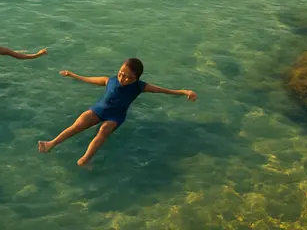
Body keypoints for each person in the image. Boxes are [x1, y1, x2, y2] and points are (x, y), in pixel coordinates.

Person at [37, 58, 197, 167]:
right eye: (121, 73)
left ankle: (85, 159)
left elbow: (164, 90)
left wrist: (184, 91)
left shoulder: (140, 86)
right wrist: (72, 74)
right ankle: (51, 143)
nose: (123, 78)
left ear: (136, 78)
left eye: (128, 77)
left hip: (116, 116)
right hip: (99, 109)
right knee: (78, 124)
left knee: (103, 131)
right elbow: (89, 79)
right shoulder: (110, 80)